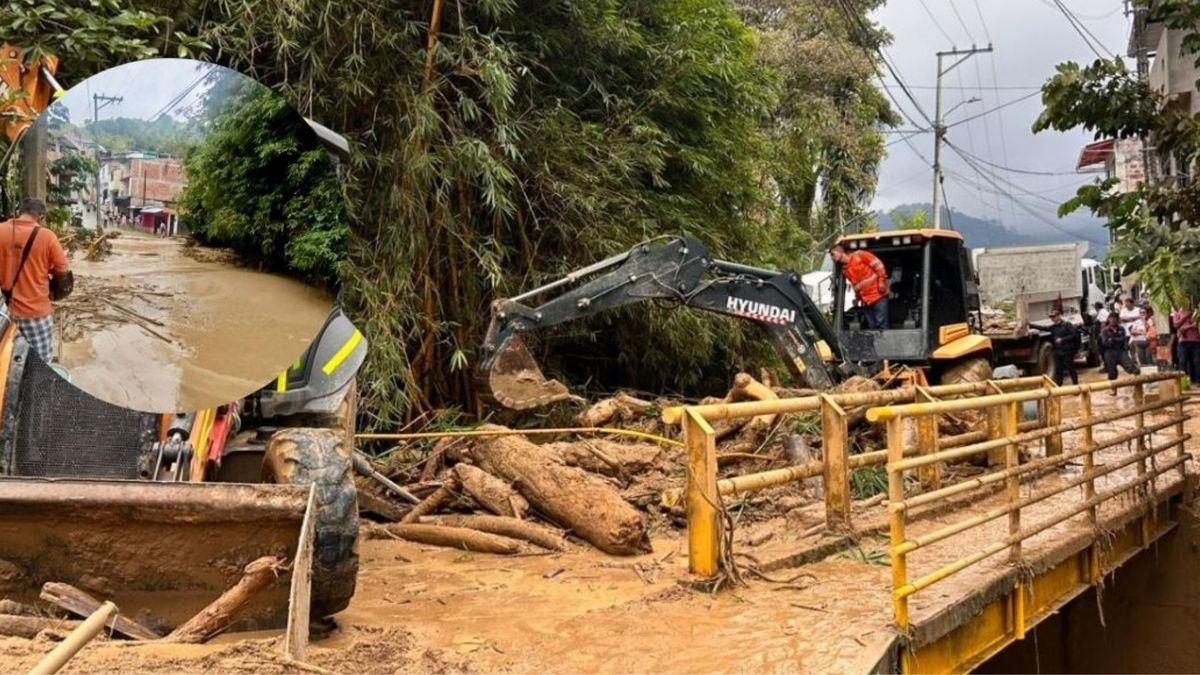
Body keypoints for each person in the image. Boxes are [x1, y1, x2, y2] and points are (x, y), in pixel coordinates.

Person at [0, 198, 70, 363]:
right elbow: (63, 269)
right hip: (36, 312)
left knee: (7, 359)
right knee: (40, 361)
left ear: (20, 212)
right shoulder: (47, 237)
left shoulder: (1, 230)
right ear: (40, 217)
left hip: (4, 311)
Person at [829, 243, 890, 330]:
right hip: (865, 300)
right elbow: (855, 285)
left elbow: (879, 266)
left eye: (832, 254)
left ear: (840, 252)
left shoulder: (860, 255)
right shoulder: (845, 270)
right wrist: (857, 298)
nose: (832, 258)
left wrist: (881, 282)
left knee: (881, 325)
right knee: (872, 326)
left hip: (878, 295)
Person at [1100, 313, 1140, 391]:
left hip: (1121, 352)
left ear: (1117, 320)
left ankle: (1138, 386)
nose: (1113, 321)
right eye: (1111, 319)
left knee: (1132, 368)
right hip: (1110, 353)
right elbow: (1105, 343)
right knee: (1112, 373)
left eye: (1115, 319)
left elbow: (1124, 340)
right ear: (1108, 320)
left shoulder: (1121, 329)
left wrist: (1113, 339)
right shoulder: (1105, 330)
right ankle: (1113, 390)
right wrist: (1116, 340)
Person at [1048, 309, 1081, 385]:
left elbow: (1073, 335)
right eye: (1051, 317)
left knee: (1071, 368)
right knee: (1059, 369)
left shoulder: (1067, 325)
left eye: (1054, 317)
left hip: (1067, 351)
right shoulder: (1054, 327)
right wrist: (1030, 324)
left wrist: (1062, 339)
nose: (1052, 319)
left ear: (1059, 316)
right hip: (1058, 351)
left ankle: (1075, 385)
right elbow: (1044, 328)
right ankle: (1059, 386)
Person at [1172, 303, 1200, 385]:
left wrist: (1186, 327)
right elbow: (1176, 325)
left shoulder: (1196, 313)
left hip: (1196, 341)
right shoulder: (1177, 313)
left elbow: (1196, 325)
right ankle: (1183, 382)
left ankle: (1197, 381)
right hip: (1183, 342)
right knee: (1182, 361)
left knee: (1196, 362)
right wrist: (1187, 316)